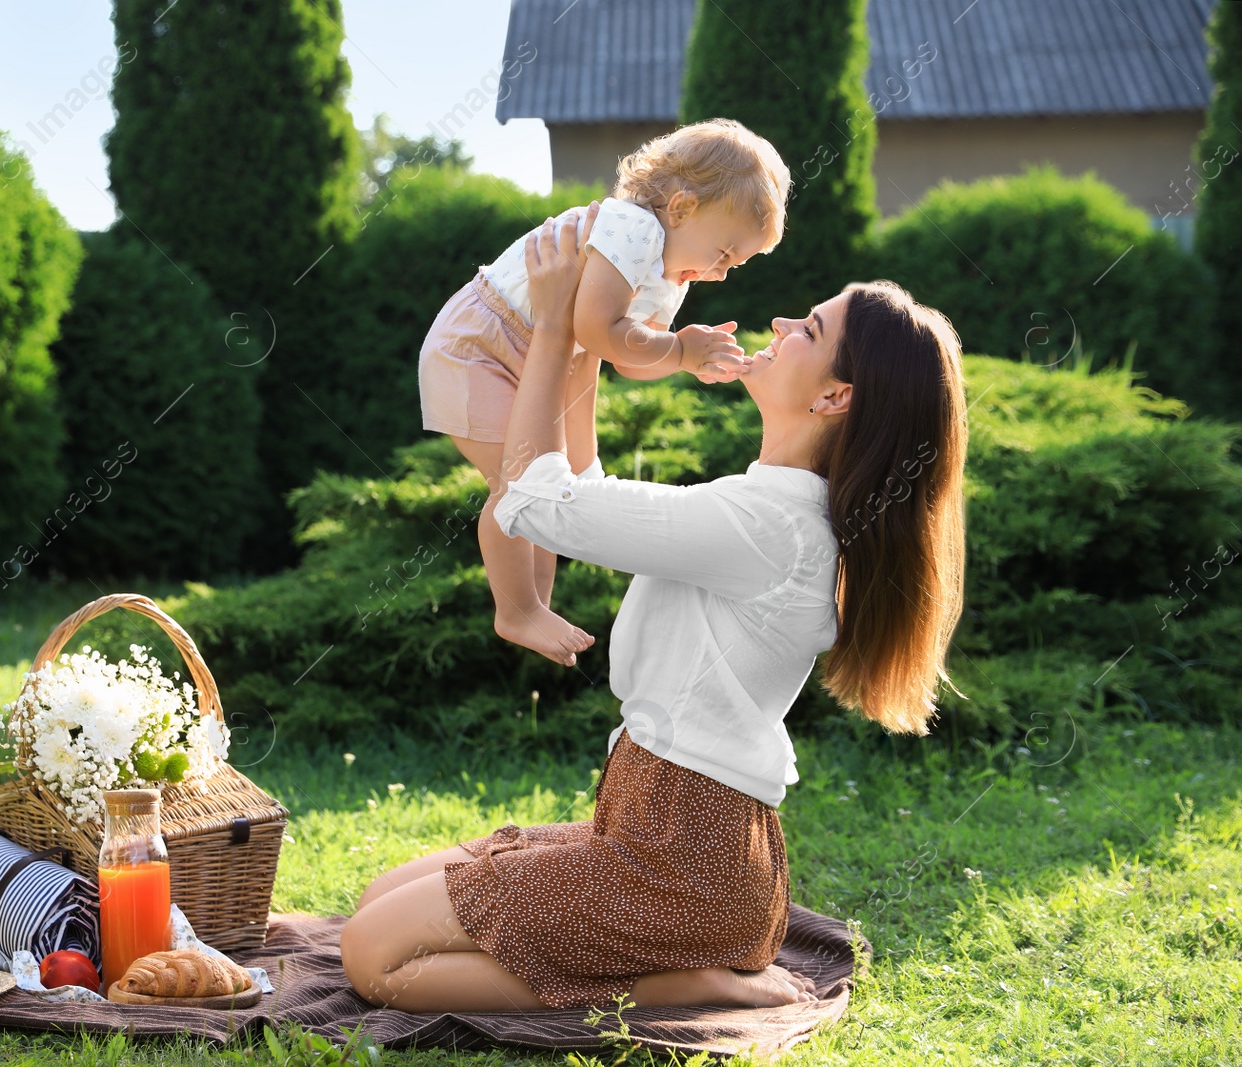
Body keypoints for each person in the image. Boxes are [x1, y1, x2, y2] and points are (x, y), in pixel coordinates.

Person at [342, 204, 969, 1013]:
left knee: (373, 957)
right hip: (654, 832)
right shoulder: (762, 508)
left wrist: (557, 332)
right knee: (378, 897)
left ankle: (672, 982)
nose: (780, 320)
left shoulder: (772, 527)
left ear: (835, 396)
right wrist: (590, 334)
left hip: (685, 862)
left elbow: (535, 504)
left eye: (808, 328)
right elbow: (584, 491)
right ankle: (684, 957)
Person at [416, 119, 790, 668]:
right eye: (724, 252)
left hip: (532, 356)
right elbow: (595, 330)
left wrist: (684, 360)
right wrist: (680, 350)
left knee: (544, 493)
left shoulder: (671, 274)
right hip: (479, 348)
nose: (721, 273)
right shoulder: (632, 228)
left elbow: (627, 360)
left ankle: (535, 604)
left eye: (735, 264)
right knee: (517, 483)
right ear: (682, 207)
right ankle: (515, 609)